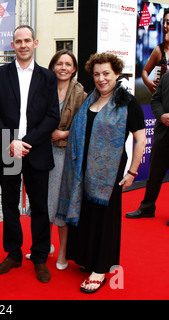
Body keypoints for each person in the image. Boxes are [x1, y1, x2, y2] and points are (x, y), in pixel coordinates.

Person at [56, 52, 146, 293]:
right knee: (88, 217)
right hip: (82, 171)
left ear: (117, 74)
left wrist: (133, 172)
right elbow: (80, 129)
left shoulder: (127, 102)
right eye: (96, 74)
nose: (101, 78)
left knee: (104, 222)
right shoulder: (90, 100)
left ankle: (100, 269)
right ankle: (88, 259)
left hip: (109, 175)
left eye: (106, 73)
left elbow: (140, 139)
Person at [0, 25, 59, 283]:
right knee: (8, 206)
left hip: (36, 151)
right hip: (8, 150)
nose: (23, 45)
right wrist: (11, 142)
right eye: (18, 41)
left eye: (27, 40)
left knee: (39, 206)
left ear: (35, 42)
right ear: (13, 44)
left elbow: (53, 116)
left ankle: (39, 258)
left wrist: (25, 142)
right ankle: (14, 254)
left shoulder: (48, 77)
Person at [47, 50, 87, 270]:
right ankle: (45, 246)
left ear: (74, 69)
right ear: (53, 66)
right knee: (43, 203)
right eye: (59, 63)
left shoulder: (80, 93)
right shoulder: (44, 87)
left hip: (64, 155)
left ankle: (62, 251)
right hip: (42, 153)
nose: (63, 68)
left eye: (68, 64)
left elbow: (85, 127)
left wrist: (64, 134)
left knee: (59, 203)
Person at [125, 70, 169, 226]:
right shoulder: (166, 77)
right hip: (163, 134)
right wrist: (161, 115)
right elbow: (155, 100)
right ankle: (147, 207)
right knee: (154, 175)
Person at [141, 9, 169, 94]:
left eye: (168, 23)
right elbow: (145, 71)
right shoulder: (159, 51)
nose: (164, 26)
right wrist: (149, 83)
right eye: (163, 22)